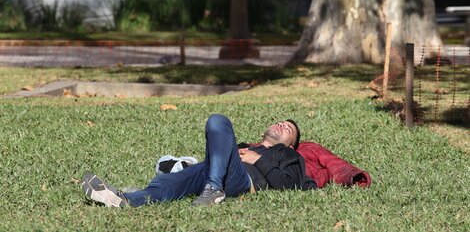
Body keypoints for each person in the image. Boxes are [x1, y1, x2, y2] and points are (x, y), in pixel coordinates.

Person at [81, 114, 317, 207]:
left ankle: (214, 189)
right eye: (280, 122)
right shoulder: (244, 146)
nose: (281, 125)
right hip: (209, 172)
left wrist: (257, 160)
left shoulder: (289, 156)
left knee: (218, 121)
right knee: (167, 184)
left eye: (288, 129)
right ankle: (126, 200)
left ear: (292, 144)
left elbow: (290, 186)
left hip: (240, 180)